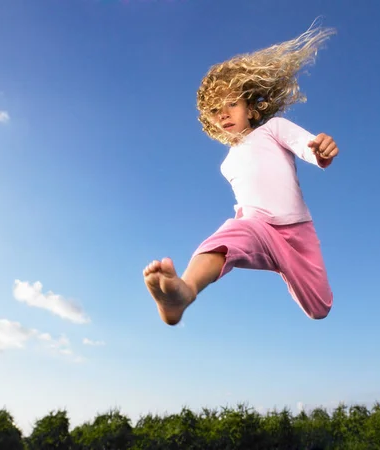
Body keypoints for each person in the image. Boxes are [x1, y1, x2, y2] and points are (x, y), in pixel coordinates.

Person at [143, 23, 339, 325]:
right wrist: (245, 225)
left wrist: (319, 150)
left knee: (319, 307)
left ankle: (285, 269)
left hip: (297, 232)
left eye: (231, 104)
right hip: (257, 228)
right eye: (215, 111)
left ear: (251, 108)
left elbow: (304, 144)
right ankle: (183, 293)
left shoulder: (272, 129)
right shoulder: (227, 163)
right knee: (228, 238)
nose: (223, 113)